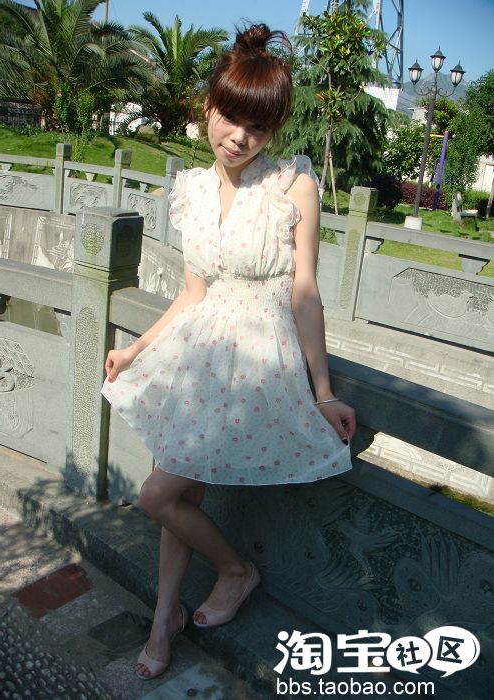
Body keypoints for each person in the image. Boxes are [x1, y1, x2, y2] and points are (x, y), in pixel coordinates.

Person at [101, 23, 356, 681]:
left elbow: (304, 293)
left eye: (258, 127)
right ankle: (164, 617)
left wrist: (323, 393)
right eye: (230, 117)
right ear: (208, 106)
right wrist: (138, 349)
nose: (240, 137)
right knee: (174, 488)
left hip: (255, 366)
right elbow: (193, 292)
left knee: (159, 494)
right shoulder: (190, 188)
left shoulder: (291, 186)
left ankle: (235, 571)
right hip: (198, 361)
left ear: (273, 132)